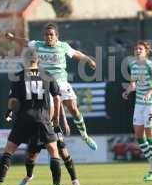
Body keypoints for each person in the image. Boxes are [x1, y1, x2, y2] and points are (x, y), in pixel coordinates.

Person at [5, 23, 98, 151]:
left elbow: (76, 53)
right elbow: (26, 42)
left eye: (51, 34)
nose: (48, 37)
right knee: (52, 111)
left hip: (62, 83)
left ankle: (85, 136)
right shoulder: (38, 45)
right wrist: (13, 38)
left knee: (74, 109)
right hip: (47, 84)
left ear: (56, 36)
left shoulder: (63, 46)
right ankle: (51, 140)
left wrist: (88, 60)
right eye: (46, 35)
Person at [0, 48, 65, 185]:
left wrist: (9, 111)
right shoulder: (47, 75)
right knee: (54, 151)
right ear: (38, 60)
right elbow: (57, 98)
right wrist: (55, 119)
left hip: (23, 119)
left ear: (25, 60)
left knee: (9, 150)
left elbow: (13, 101)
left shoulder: (18, 76)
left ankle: (0, 182)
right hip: (43, 119)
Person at [122, 41, 152, 182]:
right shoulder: (133, 65)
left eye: (140, 48)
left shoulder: (151, 66)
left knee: (150, 134)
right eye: (135, 48)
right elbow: (134, 84)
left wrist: (150, 92)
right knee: (139, 136)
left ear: (146, 51)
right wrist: (128, 91)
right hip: (139, 104)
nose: (137, 50)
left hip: (151, 104)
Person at [18, 105, 81, 185]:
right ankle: (29, 176)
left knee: (63, 152)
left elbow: (59, 104)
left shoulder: (52, 93)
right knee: (31, 156)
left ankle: (74, 180)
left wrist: (64, 122)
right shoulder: (32, 94)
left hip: (52, 127)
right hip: (37, 127)